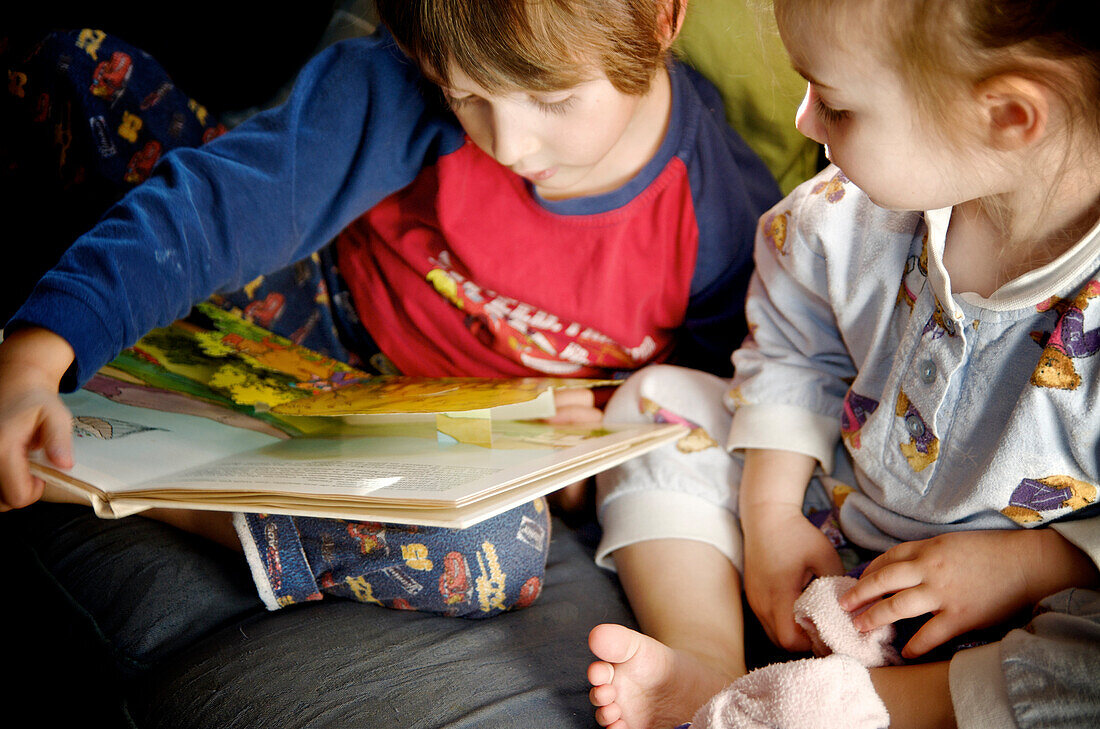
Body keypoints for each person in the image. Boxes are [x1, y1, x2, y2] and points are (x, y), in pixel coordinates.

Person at [0, 0, 781, 619]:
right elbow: (227, 205)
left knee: (493, 548)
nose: (507, 142)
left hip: (457, 437)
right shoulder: (403, 79)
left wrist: (601, 447)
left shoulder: (724, 222)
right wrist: (38, 352)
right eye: (466, 95)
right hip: (317, 304)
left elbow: (699, 413)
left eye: (552, 99)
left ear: (660, 18)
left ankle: (130, 489)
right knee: (80, 69)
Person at [585, 0, 1100, 726]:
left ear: (1008, 117)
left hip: (1006, 614)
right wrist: (768, 514)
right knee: (654, 402)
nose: (804, 123)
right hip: (834, 525)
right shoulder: (844, 214)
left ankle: (846, 708)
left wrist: (1031, 566)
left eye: (833, 103)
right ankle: (711, 671)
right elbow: (792, 351)